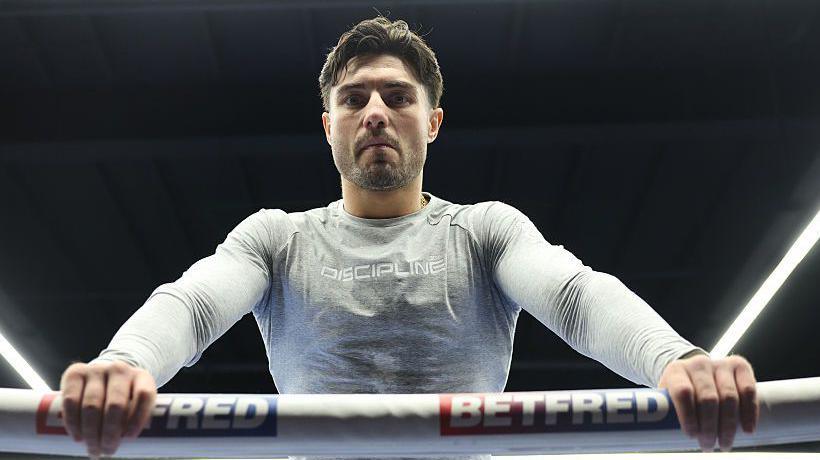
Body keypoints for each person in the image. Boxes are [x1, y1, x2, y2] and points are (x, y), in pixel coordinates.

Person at [60, 16, 759, 459]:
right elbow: (192, 305)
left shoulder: (483, 230)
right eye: (353, 99)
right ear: (329, 126)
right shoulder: (276, 238)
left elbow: (575, 296)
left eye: (397, 97)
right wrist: (127, 363)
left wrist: (676, 359)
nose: (375, 112)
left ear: (432, 122)